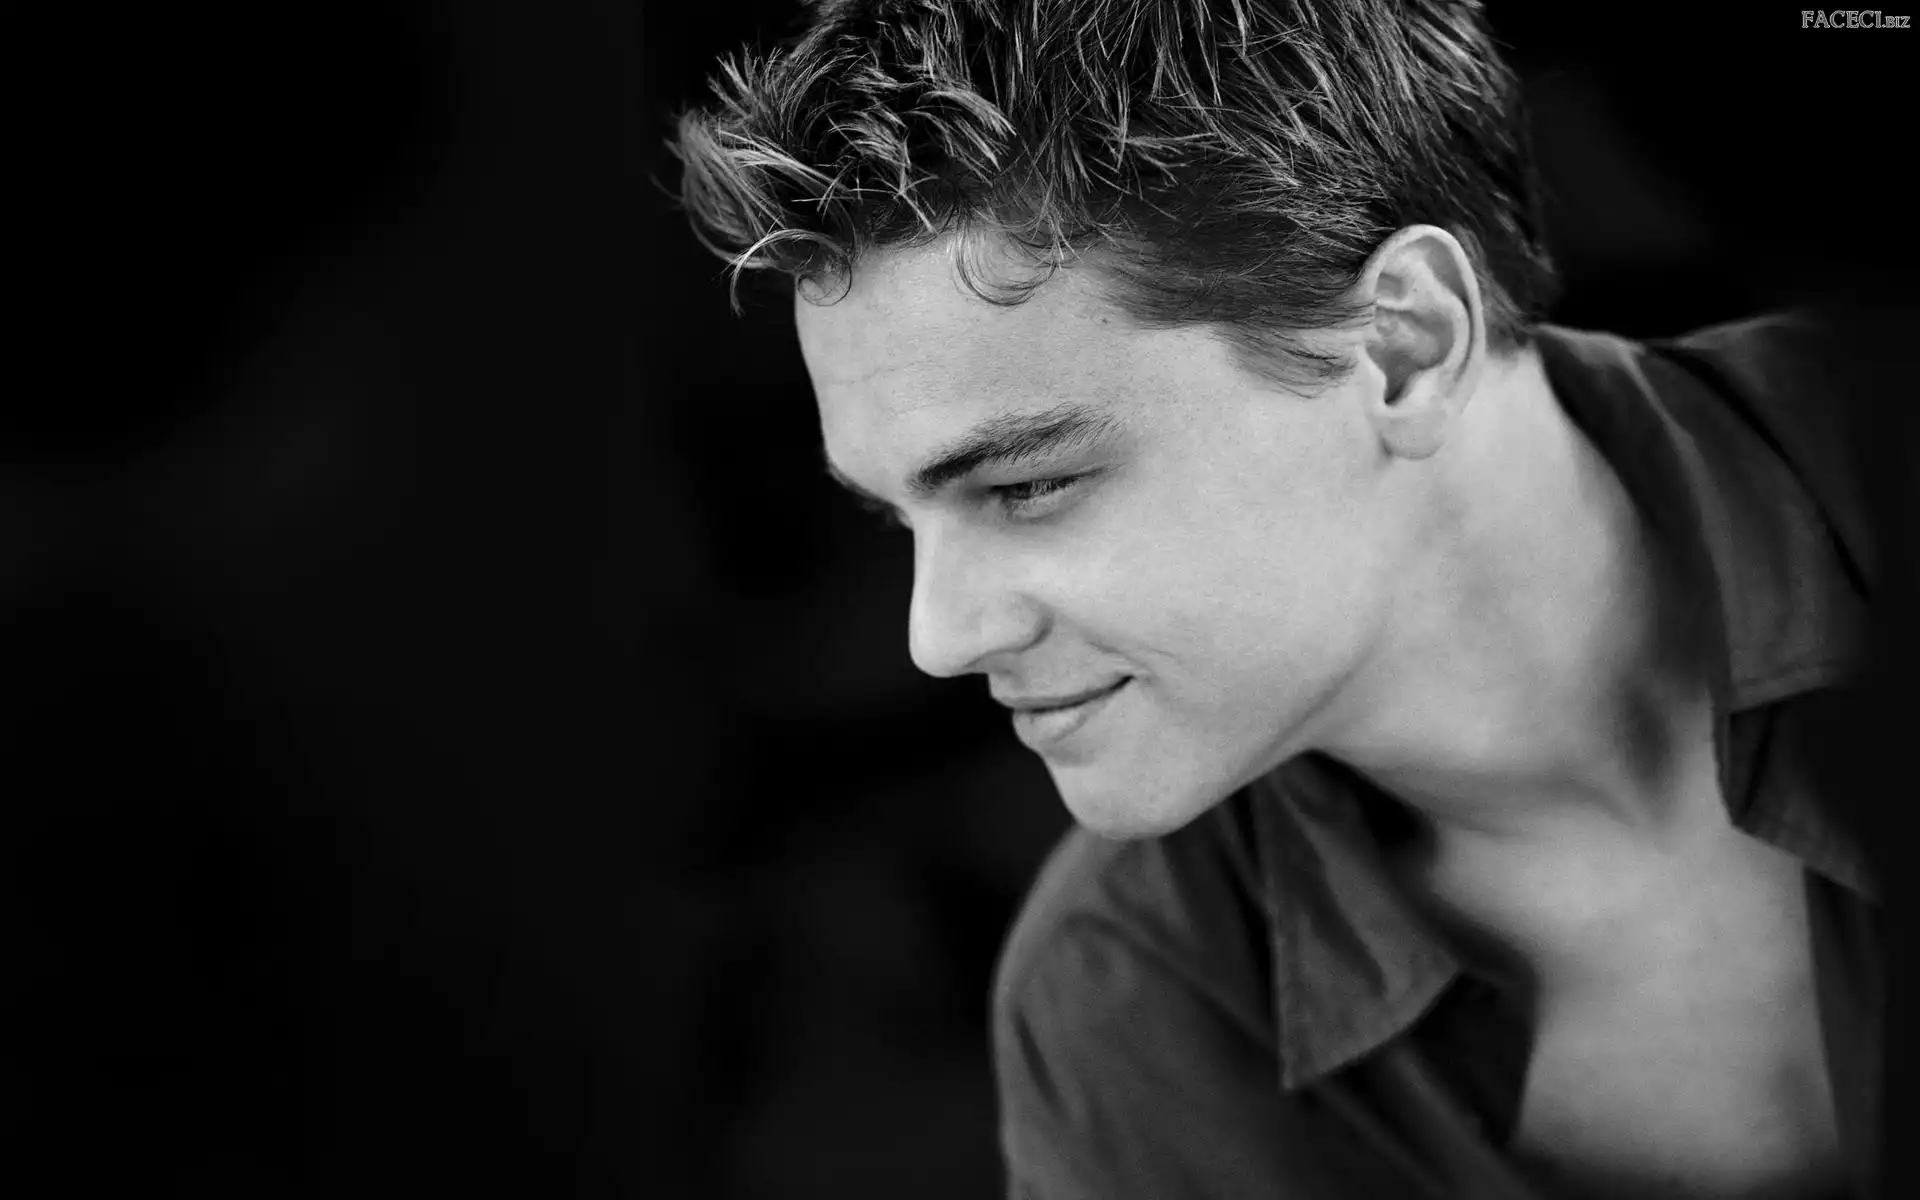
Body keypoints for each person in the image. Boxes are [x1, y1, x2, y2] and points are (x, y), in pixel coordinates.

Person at [667, 1, 1885, 1196]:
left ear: (1404, 344)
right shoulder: (1130, 1017)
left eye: (1029, 484)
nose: (937, 639)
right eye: (897, 519)